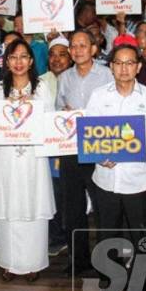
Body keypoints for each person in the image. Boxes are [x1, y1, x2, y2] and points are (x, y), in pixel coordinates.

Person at [85, 44, 146, 291]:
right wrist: (98, 155)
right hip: (105, 179)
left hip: (139, 181)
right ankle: (110, 280)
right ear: (112, 67)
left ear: (139, 67)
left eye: (130, 63)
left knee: (141, 236)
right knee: (107, 233)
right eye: (119, 62)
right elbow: (90, 137)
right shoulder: (98, 96)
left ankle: (139, 286)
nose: (124, 68)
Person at [0, 38, 55, 282]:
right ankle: (10, 263)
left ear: (31, 60)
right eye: (13, 57)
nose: (18, 62)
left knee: (34, 206)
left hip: (33, 159)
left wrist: (31, 107)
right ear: (6, 61)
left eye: (23, 57)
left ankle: (33, 263)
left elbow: (50, 124)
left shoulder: (42, 88)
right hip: (6, 158)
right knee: (9, 208)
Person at [56, 29, 113, 275]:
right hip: (70, 150)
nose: (77, 50)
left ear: (93, 49)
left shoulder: (107, 74)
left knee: (102, 209)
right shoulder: (64, 77)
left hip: (98, 148)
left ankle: (105, 262)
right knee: (72, 209)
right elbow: (58, 110)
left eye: (82, 45)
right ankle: (78, 261)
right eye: (73, 46)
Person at [39, 36, 73, 255]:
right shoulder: (39, 81)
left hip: (72, 147)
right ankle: (56, 236)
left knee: (69, 195)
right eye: (52, 54)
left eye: (62, 54)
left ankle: (71, 237)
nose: (57, 59)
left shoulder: (76, 78)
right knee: (51, 191)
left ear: (70, 57)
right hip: (48, 149)